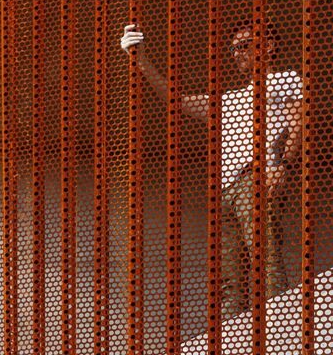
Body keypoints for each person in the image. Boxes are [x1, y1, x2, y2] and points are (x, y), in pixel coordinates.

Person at [120, 21, 302, 319]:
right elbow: (175, 101)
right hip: (226, 192)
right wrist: (140, 61)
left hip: (254, 179)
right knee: (230, 278)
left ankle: (278, 330)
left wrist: (281, 165)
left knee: (265, 260)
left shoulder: (284, 80)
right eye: (233, 49)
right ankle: (232, 338)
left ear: (267, 46)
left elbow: (298, 122)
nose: (236, 54)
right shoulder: (228, 101)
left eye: (244, 46)